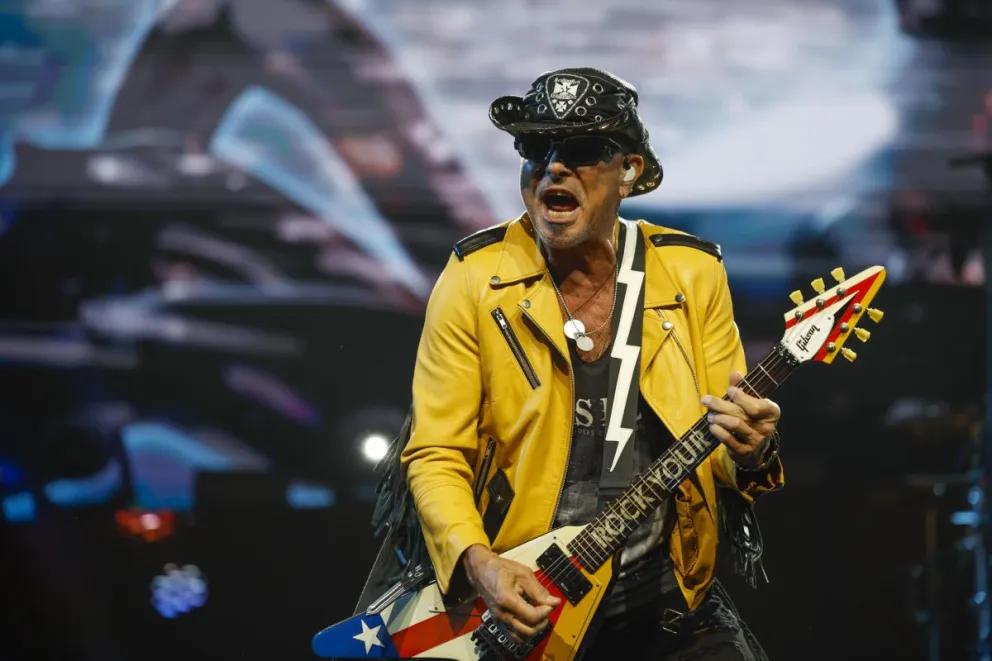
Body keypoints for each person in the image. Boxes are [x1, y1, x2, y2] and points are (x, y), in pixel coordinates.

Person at [400, 68, 785, 661]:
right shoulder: (474, 277)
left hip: (666, 598)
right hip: (530, 600)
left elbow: (724, 451)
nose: (554, 167)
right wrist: (481, 563)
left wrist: (751, 450)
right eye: (535, 148)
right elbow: (436, 453)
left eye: (581, 150)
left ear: (628, 170)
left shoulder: (691, 273)